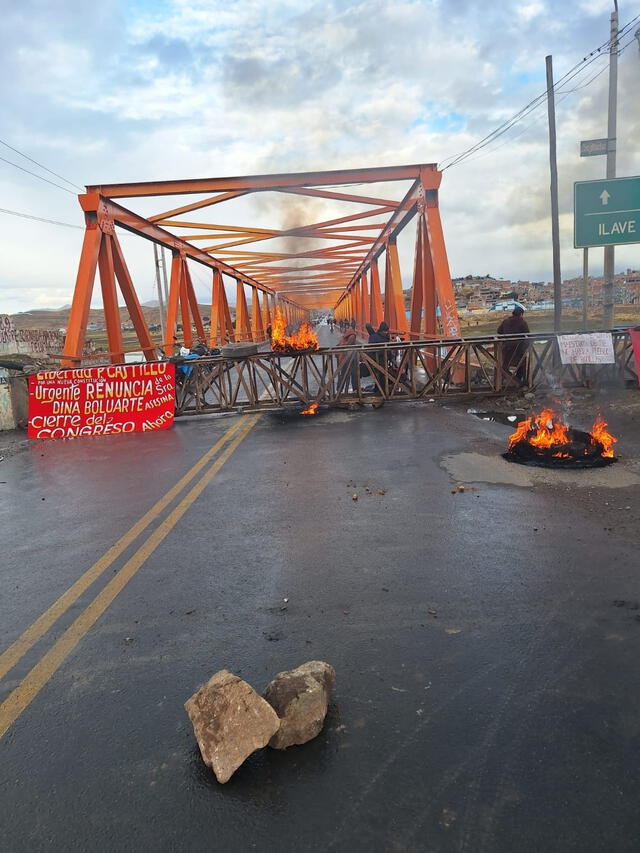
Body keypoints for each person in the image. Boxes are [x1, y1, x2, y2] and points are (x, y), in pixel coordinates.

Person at [497, 306, 530, 385]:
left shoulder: (506, 321)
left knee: (504, 366)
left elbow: (499, 331)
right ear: (521, 314)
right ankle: (518, 381)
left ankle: (501, 382)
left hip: (506, 348)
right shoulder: (522, 322)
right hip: (518, 349)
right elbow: (527, 334)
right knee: (522, 364)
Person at [337, 323, 358, 393]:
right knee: (349, 373)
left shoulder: (351, 335)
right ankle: (353, 389)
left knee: (348, 373)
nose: (343, 329)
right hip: (347, 357)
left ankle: (340, 389)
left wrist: (340, 346)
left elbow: (347, 345)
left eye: (344, 327)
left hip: (349, 358)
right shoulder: (347, 335)